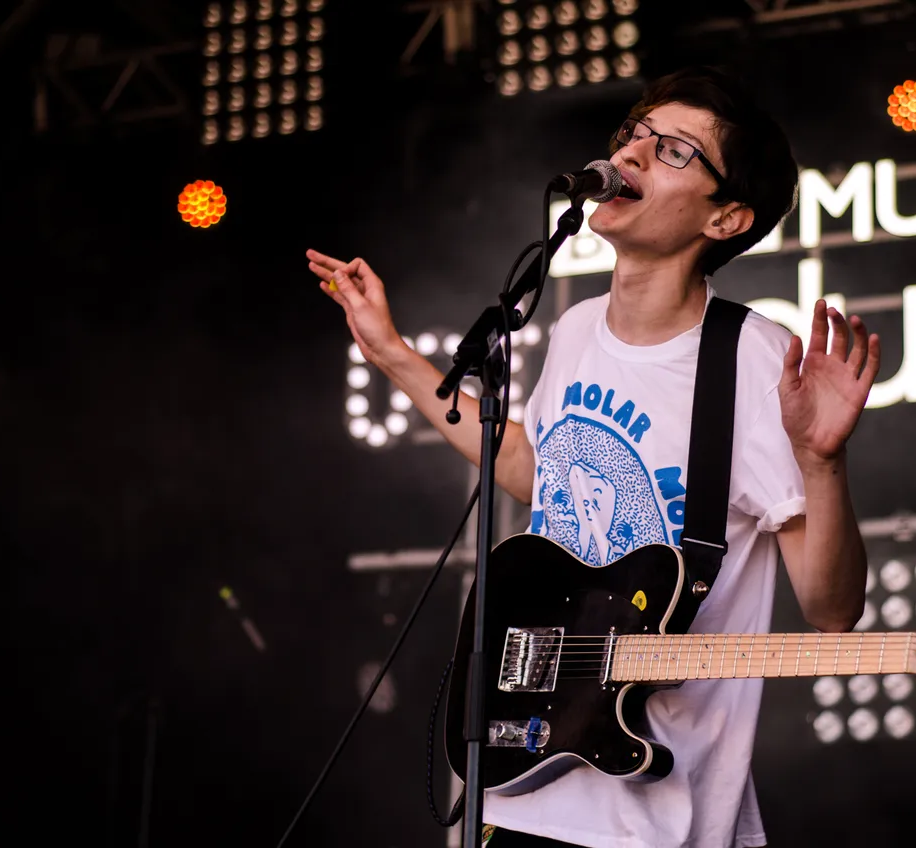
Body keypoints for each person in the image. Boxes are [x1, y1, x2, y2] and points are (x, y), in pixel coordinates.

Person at [308, 65, 880, 848]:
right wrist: (392, 354)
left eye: (673, 149)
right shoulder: (577, 327)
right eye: (634, 135)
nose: (632, 153)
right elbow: (533, 471)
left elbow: (831, 609)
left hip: (659, 819)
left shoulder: (752, 357)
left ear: (727, 217)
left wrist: (821, 462)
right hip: (525, 782)